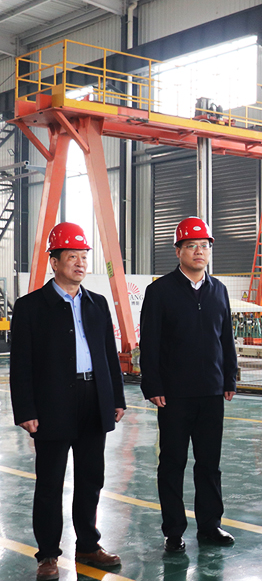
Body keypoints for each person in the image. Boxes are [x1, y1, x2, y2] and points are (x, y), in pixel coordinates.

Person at [10, 222, 125, 581]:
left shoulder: (97, 304)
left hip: (93, 399)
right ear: (54, 261)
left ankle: (88, 545)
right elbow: (21, 365)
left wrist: (116, 398)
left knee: (92, 478)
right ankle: (47, 555)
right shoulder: (31, 307)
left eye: (84, 256)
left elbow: (109, 355)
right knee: (50, 483)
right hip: (52, 403)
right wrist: (25, 410)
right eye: (72, 256)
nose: (80, 263)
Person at [140, 216, 238, 552]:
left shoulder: (218, 290)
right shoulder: (160, 291)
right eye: (192, 245)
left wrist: (229, 377)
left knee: (209, 464)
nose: (199, 251)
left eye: (205, 245)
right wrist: (153, 385)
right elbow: (150, 343)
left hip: (211, 392)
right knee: (172, 463)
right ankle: (173, 531)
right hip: (174, 395)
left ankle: (210, 525)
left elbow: (226, 338)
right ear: (178, 251)